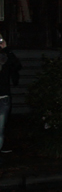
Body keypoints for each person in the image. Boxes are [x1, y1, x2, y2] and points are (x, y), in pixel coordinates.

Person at [0, 33, 21, 162]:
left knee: (0, 128)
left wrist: (6, 49)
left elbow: (17, 65)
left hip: (3, 98)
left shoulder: (5, 59)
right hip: (4, 98)